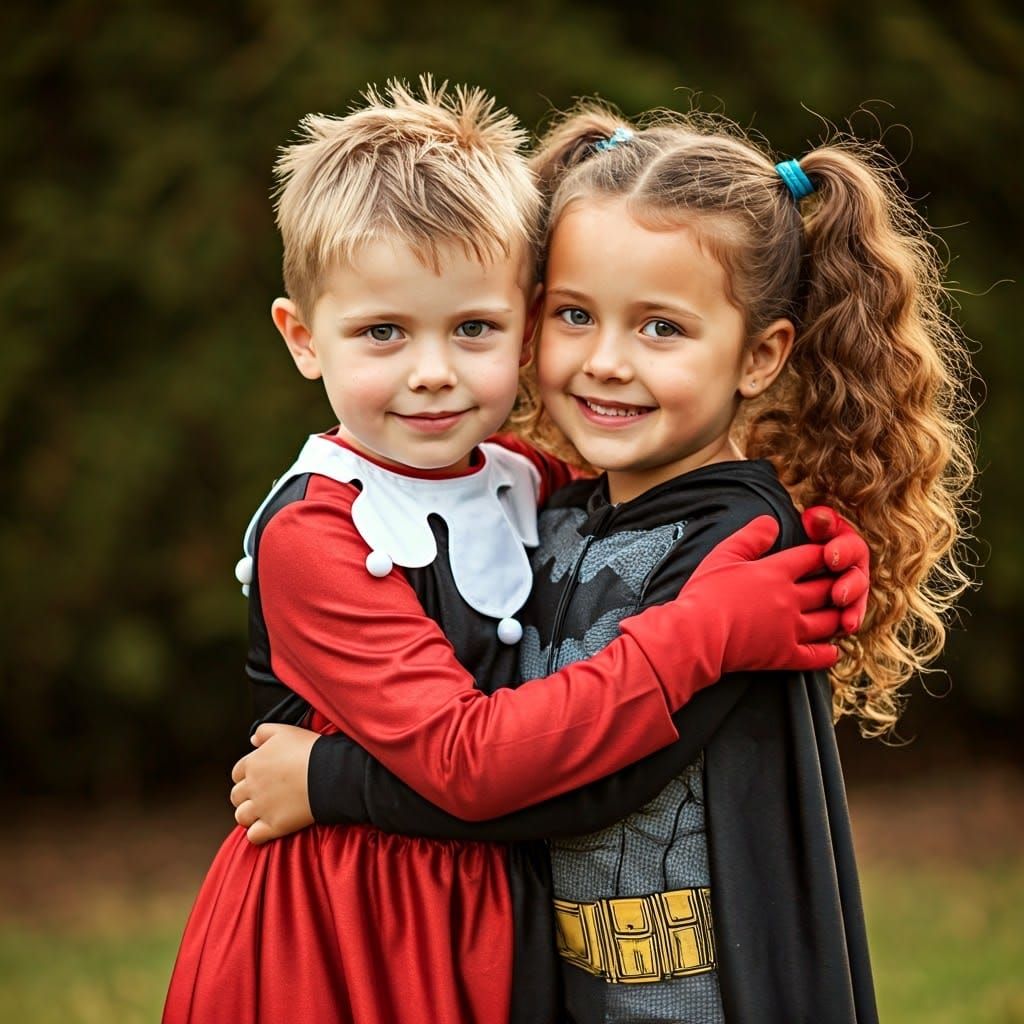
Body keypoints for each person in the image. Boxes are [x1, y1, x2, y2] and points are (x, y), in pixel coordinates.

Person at [232, 104, 973, 1023]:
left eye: (661, 328)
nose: (607, 362)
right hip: (515, 962)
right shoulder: (559, 507)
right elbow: (510, 738)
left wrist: (332, 782)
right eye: (577, 315)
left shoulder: (737, 550)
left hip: (702, 994)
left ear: (762, 355)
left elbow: (588, 780)